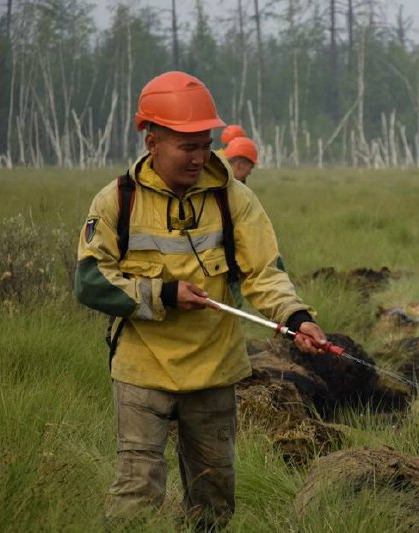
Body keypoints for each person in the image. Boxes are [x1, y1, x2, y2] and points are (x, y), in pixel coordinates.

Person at [74, 71, 328, 530]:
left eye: (206, 145)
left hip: (214, 369)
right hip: (142, 368)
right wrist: (164, 294)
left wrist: (297, 317)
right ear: (152, 142)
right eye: (186, 146)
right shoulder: (116, 201)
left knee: (213, 499)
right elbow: (91, 281)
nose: (199, 157)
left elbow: (265, 273)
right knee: (136, 496)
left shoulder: (236, 199)